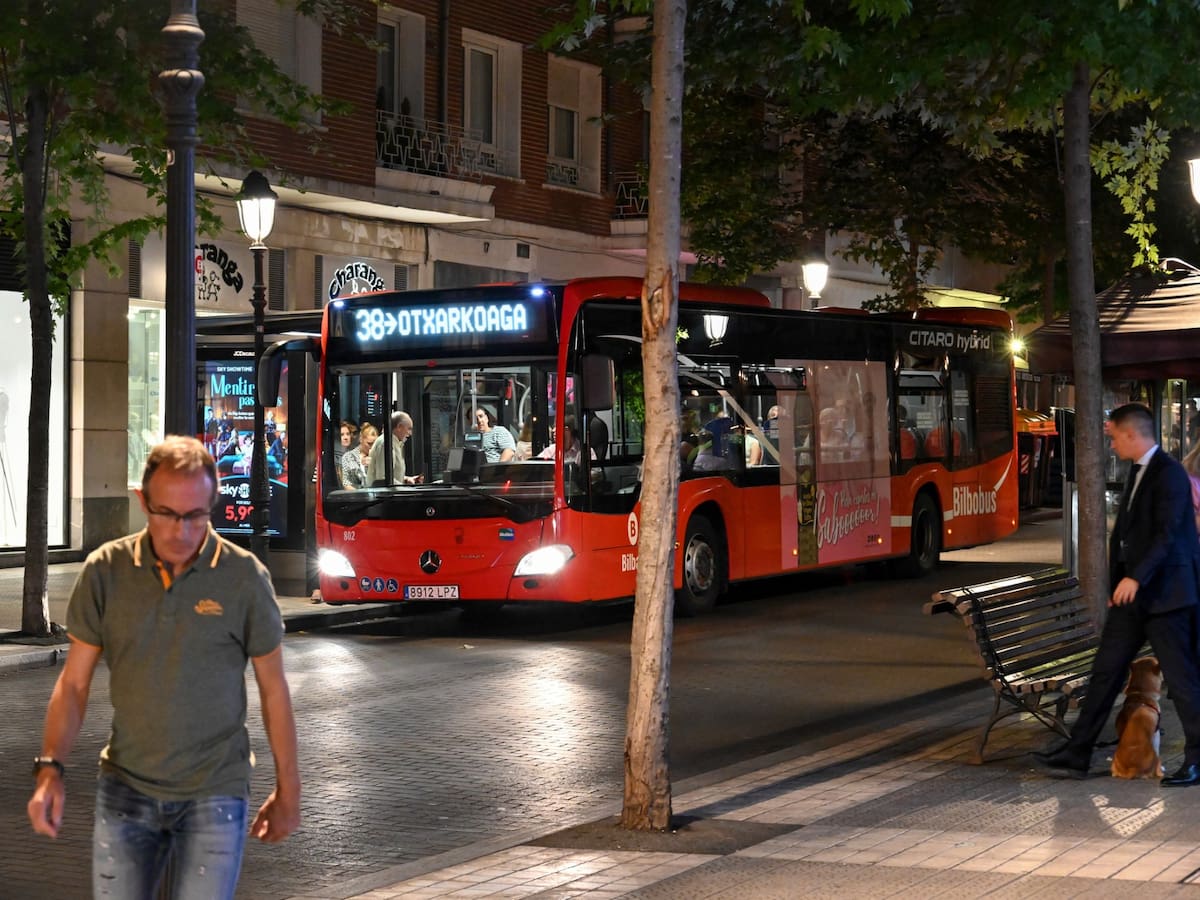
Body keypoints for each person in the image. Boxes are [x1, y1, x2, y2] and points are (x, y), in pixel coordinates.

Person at [26, 436, 300, 897]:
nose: (181, 531)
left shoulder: (244, 577)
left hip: (216, 789)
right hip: (126, 786)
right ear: (142, 501)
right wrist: (51, 769)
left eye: (196, 515)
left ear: (212, 504)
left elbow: (274, 690)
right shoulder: (106, 571)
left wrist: (288, 789)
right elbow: (73, 684)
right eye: (167, 513)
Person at [1034, 403, 1200, 785]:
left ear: (1130, 434)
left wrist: (1136, 578)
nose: (1111, 445)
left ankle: (1196, 759)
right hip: (1132, 599)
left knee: (1183, 680)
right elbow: (1125, 535)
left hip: (1166, 597)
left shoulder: (1169, 474)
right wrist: (1117, 585)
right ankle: (1077, 751)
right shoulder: (1138, 471)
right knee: (1105, 672)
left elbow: (1166, 536)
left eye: (1112, 437)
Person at [367, 410, 423, 485]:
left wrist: (406, 479)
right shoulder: (385, 443)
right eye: (409, 429)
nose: (410, 433)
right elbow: (383, 479)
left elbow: (390, 477)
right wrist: (404, 488)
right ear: (399, 426)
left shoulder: (393, 443)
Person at [341, 421, 378, 489]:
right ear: (361, 439)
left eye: (375, 444)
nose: (372, 447)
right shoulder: (348, 457)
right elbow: (346, 483)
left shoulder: (380, 456)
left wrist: (373, 465)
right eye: (369, 444)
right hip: (355, 493)